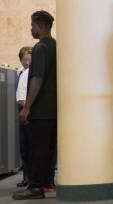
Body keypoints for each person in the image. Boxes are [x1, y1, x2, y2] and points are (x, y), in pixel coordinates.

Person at [13, 11, 57, 200]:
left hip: (41, 109)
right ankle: (46, 181)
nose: (31, 28)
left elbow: (37, 79)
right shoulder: (56, 46)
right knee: (48, 148)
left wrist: (27, 107)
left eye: (32, 25)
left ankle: (35, 187)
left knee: (37, 148)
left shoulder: (40, 48)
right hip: (54, 109)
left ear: (40, 25)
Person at [16, 46, 32, 188]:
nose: (26, 62)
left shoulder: (31, 74)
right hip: (21, 109)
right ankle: (26, 176)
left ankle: (31, 177)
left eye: (28, 59)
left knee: (29, 145)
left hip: (27, 110)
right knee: (23, 146)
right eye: (24, 60)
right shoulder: (20, 73)